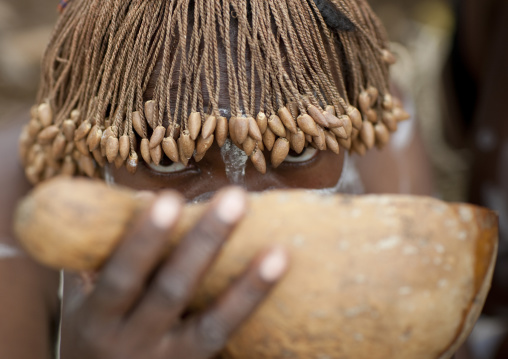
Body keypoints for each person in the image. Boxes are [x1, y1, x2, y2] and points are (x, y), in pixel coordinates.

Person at [0, 0, 434, 358]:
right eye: (168, 162)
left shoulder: (367, 129)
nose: (238, 212)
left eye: (296, 151)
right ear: (91, 152)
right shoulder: (21, 201)